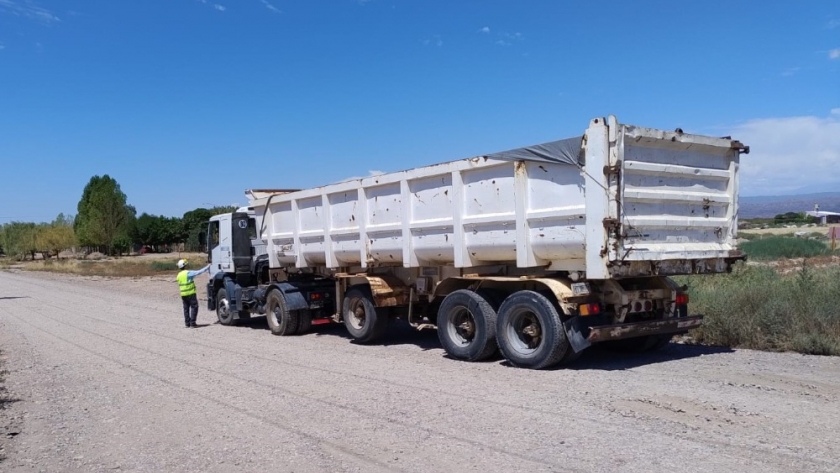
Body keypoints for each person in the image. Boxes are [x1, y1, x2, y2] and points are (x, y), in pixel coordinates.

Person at [176, 259, 210, 328]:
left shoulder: (178, 275)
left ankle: (187, 323)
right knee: (194, 307)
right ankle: (192, 323)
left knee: (186, 309)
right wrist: (208, 267)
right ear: (185, 266)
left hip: (183, 294)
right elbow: (199, 272)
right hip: (190, 293)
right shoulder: (188, 273)